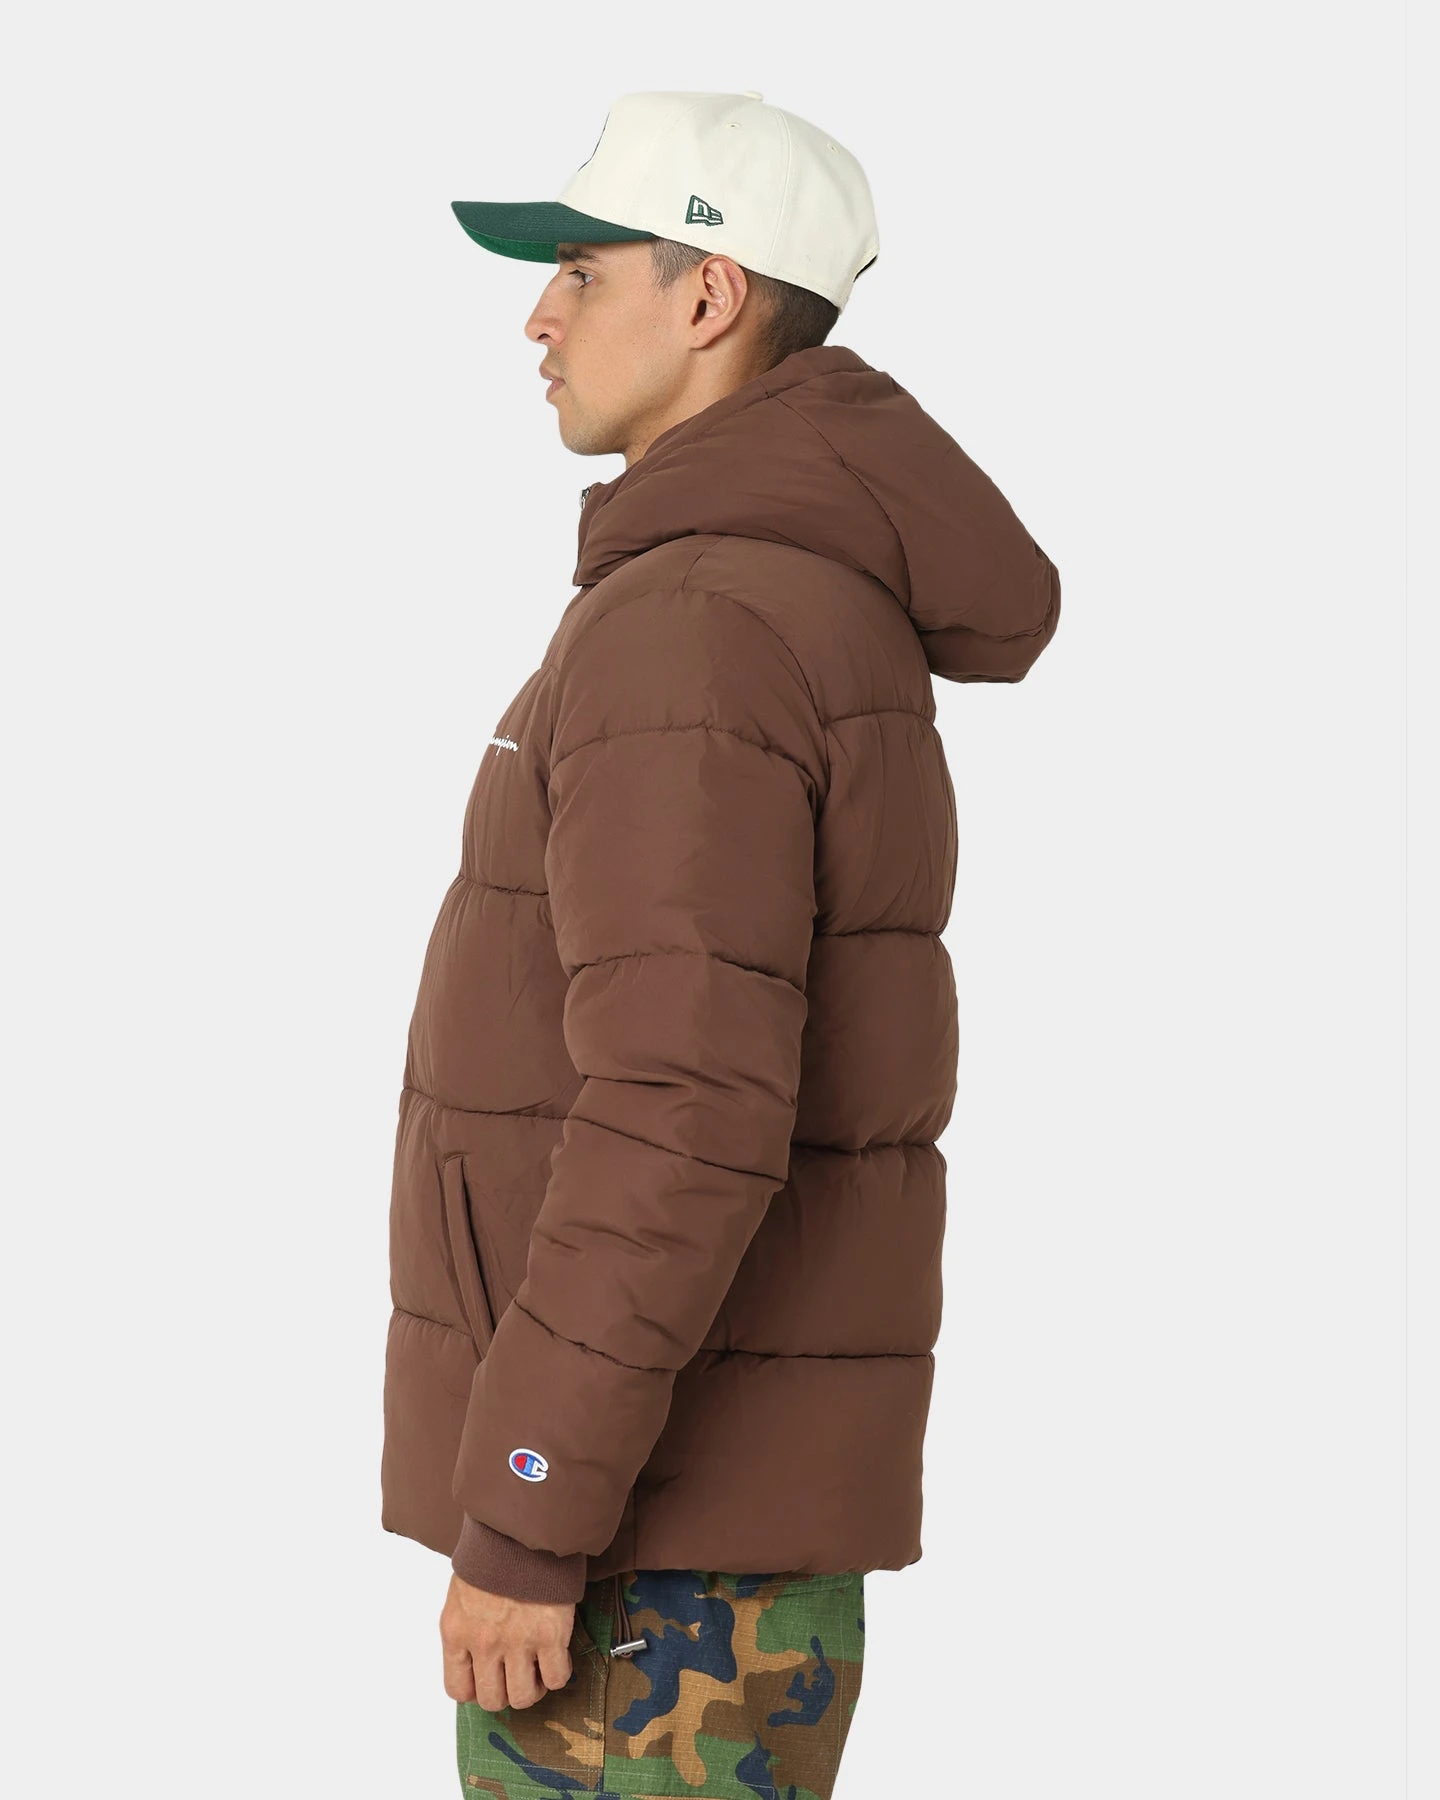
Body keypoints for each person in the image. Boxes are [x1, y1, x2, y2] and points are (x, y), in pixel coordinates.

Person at [381, 88, 1061, 1799]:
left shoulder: (693, 626)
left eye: (580, 272)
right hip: (699, 1538)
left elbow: (681, 1112)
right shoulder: (784, 598)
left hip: (645, 1571)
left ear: (710, 296)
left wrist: (528, 1502)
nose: (538, 319)